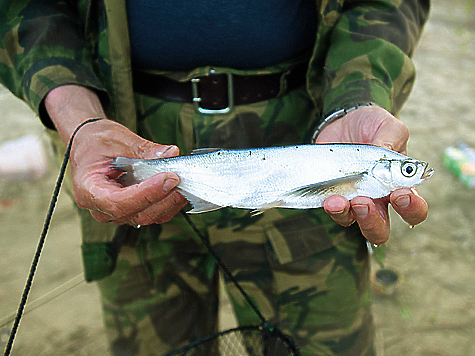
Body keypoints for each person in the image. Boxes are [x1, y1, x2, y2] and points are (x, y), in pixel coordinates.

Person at [0, 1, 430, 355]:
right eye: (406, 170)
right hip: (121, 124)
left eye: (407, 169)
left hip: (305, 115)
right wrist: (80, 121)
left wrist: (357, 97)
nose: (412, 173)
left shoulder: (355, 159)